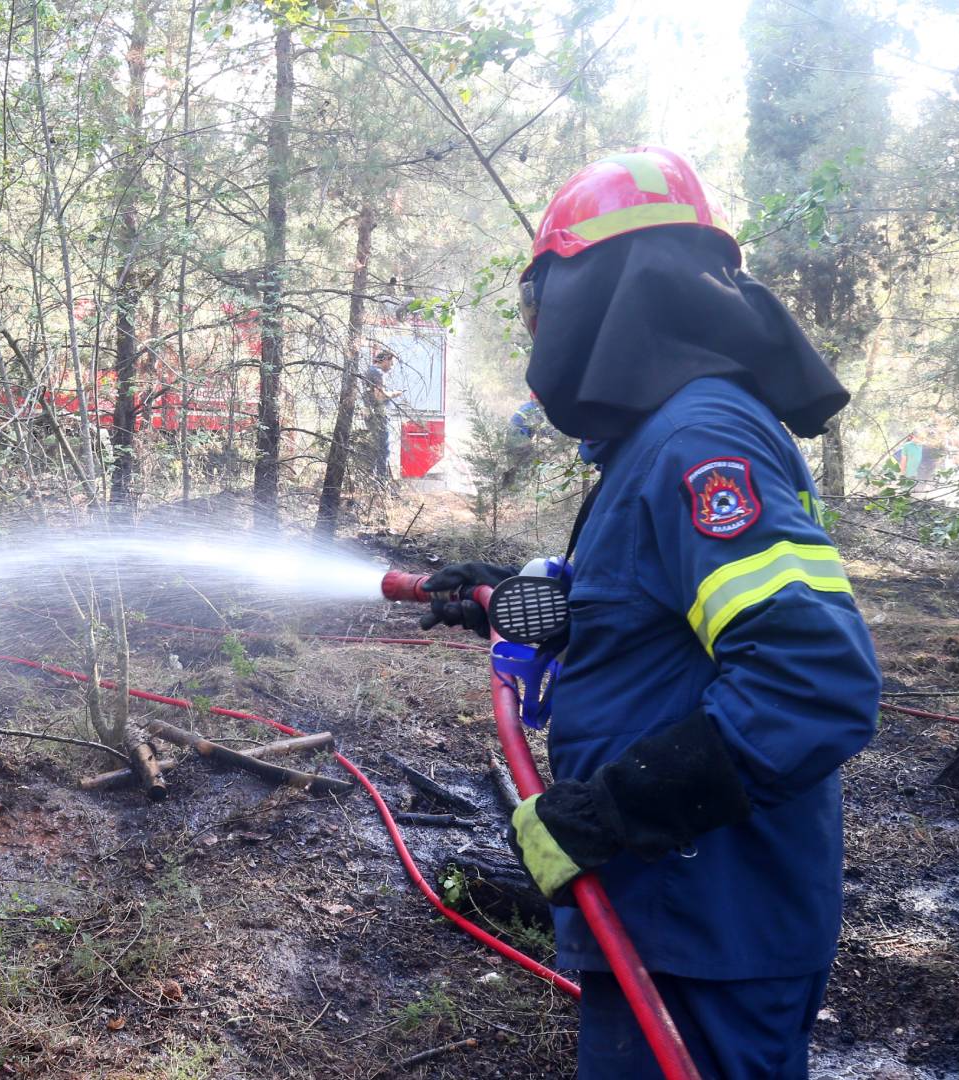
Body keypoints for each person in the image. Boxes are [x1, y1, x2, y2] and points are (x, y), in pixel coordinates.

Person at [418, 146, 881, 1079]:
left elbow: (813, 681)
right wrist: (512, 597)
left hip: (708, 921)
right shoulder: (663, 437)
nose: (536, 322)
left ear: (600, 287)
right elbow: (660, 620)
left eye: (541, 295)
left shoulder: (699, 438)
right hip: (676, 915)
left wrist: (611, 812)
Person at [360, 348, 403, 477]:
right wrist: (395, 394)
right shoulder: (378, 373)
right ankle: (381, 482)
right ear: (385, 359)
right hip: (379, 415)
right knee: (383, 450)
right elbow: (380, 396)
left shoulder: (369, 371)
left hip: (370, 415)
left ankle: (370, 479)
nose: (391, 367)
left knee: (374, 448)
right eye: (391, 363)